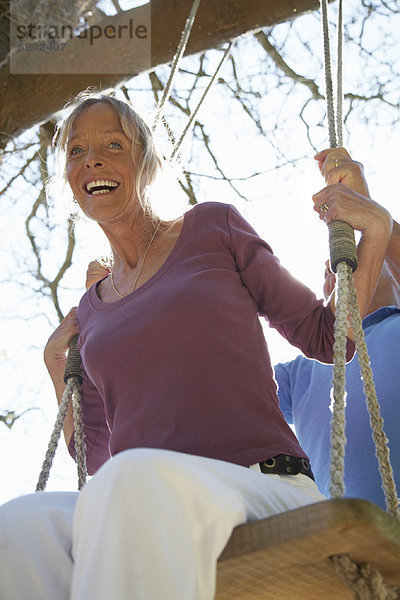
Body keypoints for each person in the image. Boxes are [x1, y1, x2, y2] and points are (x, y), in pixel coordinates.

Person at [0, 89, 392, 600]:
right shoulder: (91, 310)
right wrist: (59, 370)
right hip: (143, 498)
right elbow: (98, 455)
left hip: (263, 487)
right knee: (21, 526)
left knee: (131, 482)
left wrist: (375, 230)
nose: (92, 158)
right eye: (77, 150)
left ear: (147, 163)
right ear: (71, 181)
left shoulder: (213, 227)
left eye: (113, 145)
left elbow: (329, 338)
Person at [275, 215, 400, 511]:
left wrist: (379, 222)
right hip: (338, 542)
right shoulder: (299, 370)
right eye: (332, 270)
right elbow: (226, 392)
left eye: (359, 261)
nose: (338, 274)